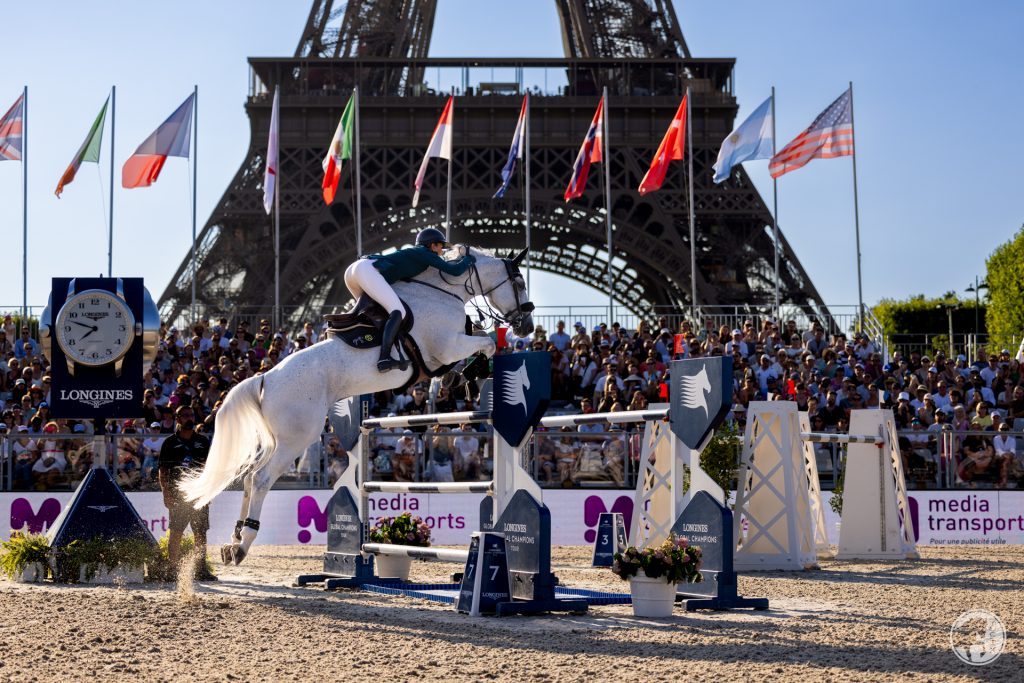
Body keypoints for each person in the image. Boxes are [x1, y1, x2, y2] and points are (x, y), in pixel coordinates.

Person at [343, 227, 475, 372]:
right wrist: (470, 259)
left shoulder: (415, 255)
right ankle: (384, 358)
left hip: (354, 271)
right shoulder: (426, 253)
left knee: (374, 312)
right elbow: (455, 271)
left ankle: (360, 343)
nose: (442, 250)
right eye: (441, 246)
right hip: (367, 270)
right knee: (398, 311)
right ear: (432, 245)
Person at [158, 406, 216, 580]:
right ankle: (172, 569)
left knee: (200, 532)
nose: (189, 418)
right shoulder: (169, 442)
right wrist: (166, 494)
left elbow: (209, 468)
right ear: (177, 419)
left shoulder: (203, 441)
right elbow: (163, 471)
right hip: (178, 495)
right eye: (185, 416)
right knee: (176, 532)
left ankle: (200, 569)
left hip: (199, 495)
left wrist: (208, 491)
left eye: (191, 415)